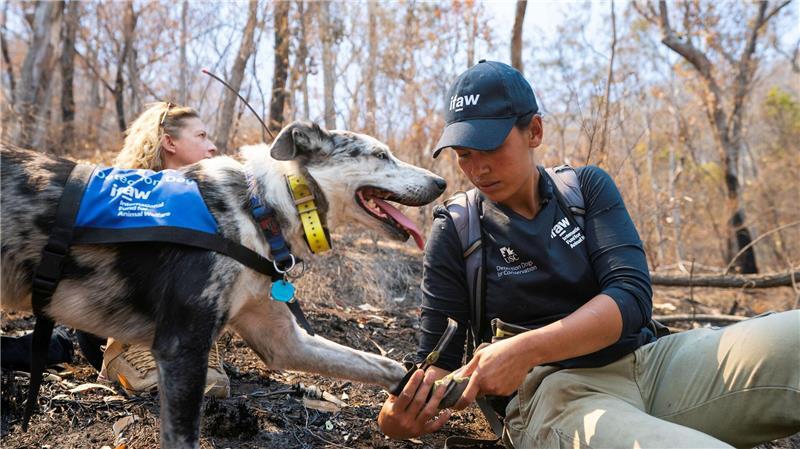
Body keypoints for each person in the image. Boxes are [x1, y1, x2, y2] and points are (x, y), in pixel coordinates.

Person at [377, 60, 800, 448]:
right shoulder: (457, 229)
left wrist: (525, 349)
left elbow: (631, 297)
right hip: (556, 397)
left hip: (651, 363)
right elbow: (437, 359)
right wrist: (398, 418)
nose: (477, 168)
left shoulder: (585, 189)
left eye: (490, 147)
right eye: (464, 154)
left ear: (535, 132)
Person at [79, 101, 229, 398]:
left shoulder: (211, 200)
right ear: (169, 142)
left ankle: (197, 346)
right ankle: (122, 355)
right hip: (113, 326)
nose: (212, 147)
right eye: (201, 137)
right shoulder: (123, 191)